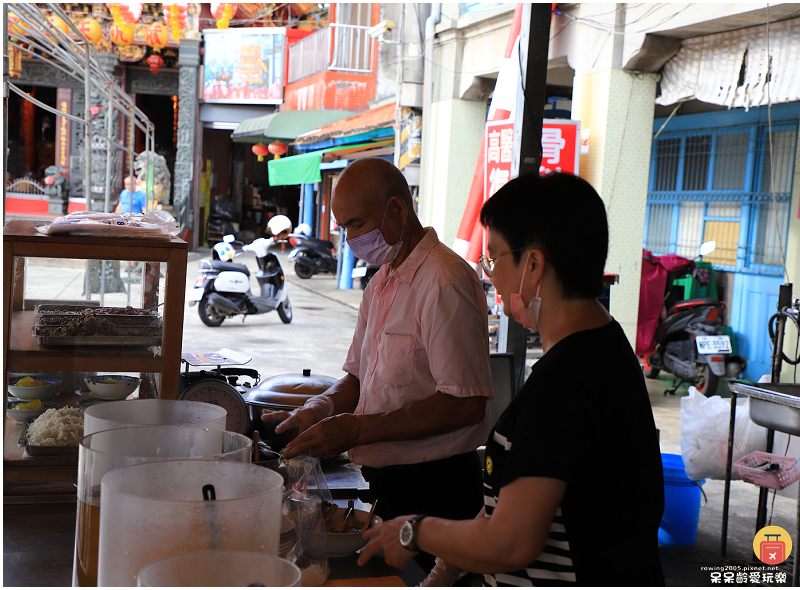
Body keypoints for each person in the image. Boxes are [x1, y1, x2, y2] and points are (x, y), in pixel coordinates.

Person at [357, 172, 665, 586]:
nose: (491, 277)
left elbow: (511, 541)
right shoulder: (602, 347)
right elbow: (511, 501)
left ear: (533, 265)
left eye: (495, 258)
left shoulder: (569, 381)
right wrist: (444, 569)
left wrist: (413, 530)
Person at [264, 157, 494, 572]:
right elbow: (356, 377)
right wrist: (317, 409)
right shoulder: (382, 281)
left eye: (356, 224)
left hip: (436, 488)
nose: (351, 238)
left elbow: (465, 403)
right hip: (386, 483)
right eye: (344, 228)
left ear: (397, 211)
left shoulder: (444, 281)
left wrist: (356, 428)